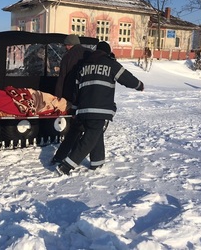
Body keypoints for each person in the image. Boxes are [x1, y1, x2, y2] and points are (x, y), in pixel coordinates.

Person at [56, 41, 144, 175]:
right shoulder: (110, 63)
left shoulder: (83, 66)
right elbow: (127, 79)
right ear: (107, 52)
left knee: (96, 133)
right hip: (100, 109)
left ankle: (97, 162)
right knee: (90, 137)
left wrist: (74, 108)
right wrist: (139, 85)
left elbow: (76, 90)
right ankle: (67, 165)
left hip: (83, 108)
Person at [51, 34, 91, 164]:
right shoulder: (89, 53)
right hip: (87, 92)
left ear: (69, 45)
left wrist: (58, 94)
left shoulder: (67, 56)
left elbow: (62, 77)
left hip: (71, 93)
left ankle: (67, 151)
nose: (65, 47)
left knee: (73, 123)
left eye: (66, 45)